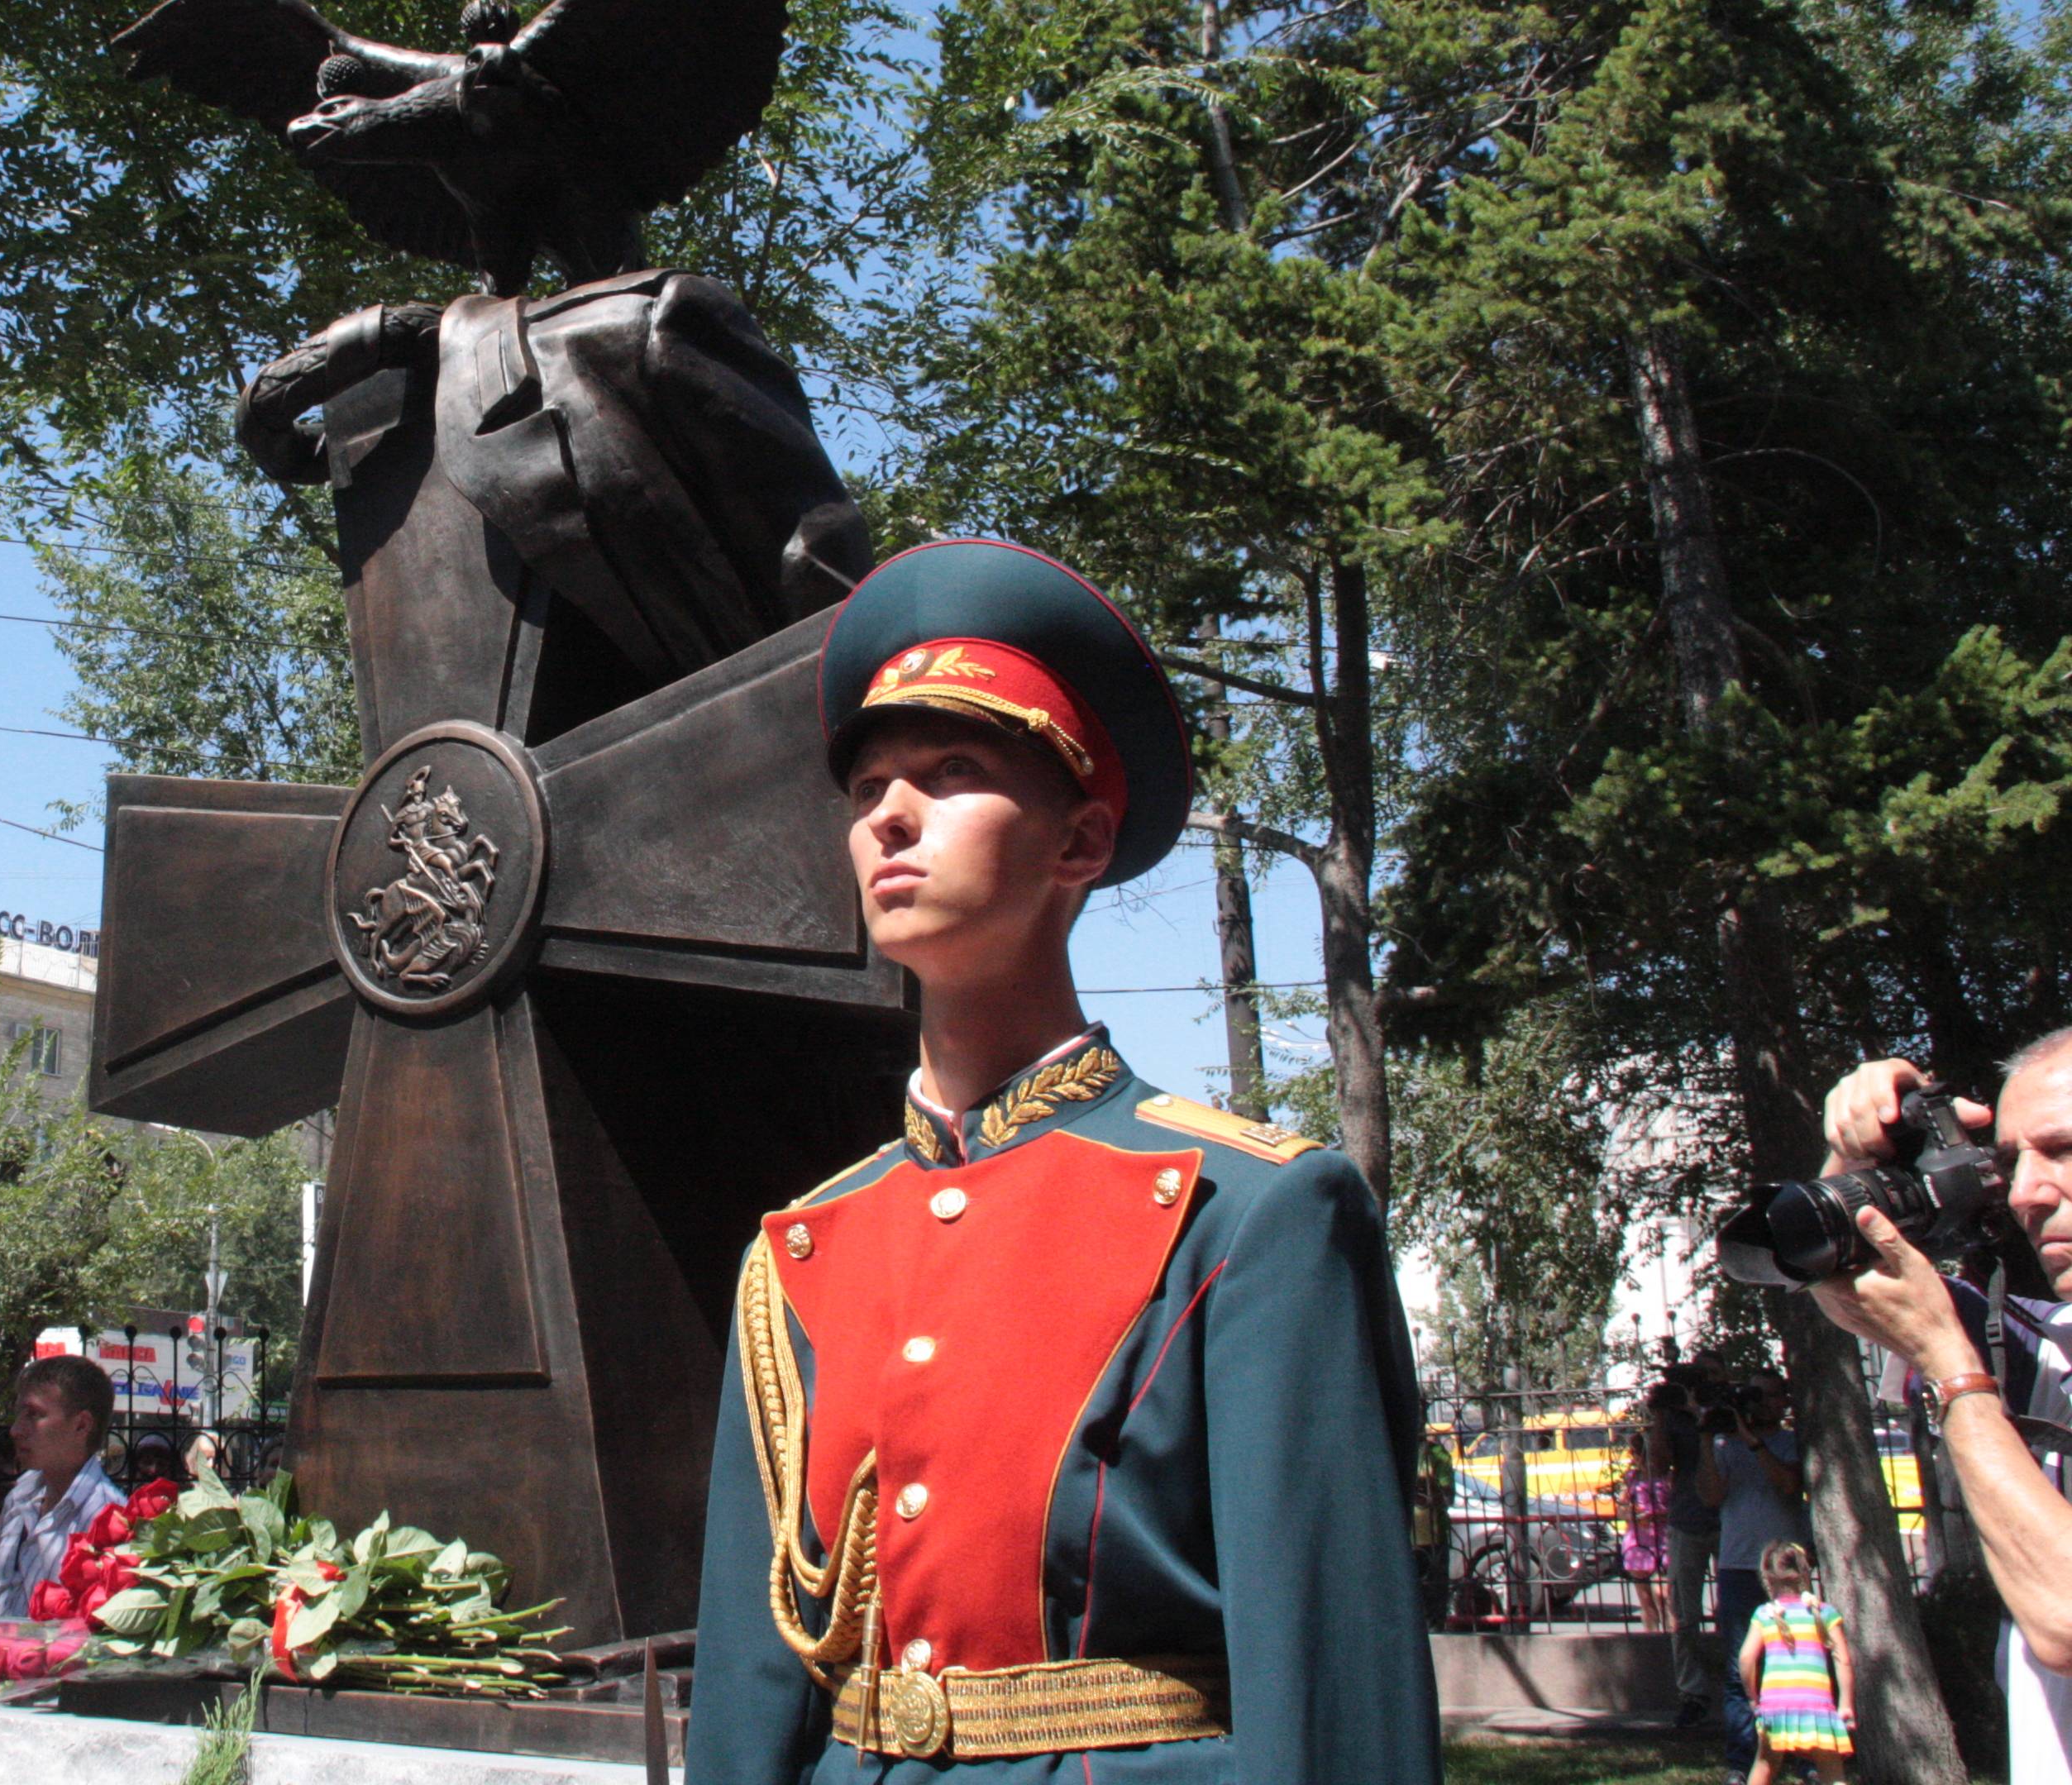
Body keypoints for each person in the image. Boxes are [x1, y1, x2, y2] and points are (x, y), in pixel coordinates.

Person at [687, 538, 1440, 1785]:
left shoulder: (1245, 1212)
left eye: (954, 771)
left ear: (1080, 844)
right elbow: (750, 1691)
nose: (889, 814)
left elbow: (1331, 1688)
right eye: (868, 785)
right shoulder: (803, 1253)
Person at [1812, 1039, 2072, 1785]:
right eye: (2014, 1159)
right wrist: (1858, 1147)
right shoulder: (2049, 1349)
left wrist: (1951, 1368)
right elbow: (1843, 1281)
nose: (2025, 1192)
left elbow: (2060, 1618)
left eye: (2062, 1150)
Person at [1699, 1372, 1807, 1774]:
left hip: (1787, 1571)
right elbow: (1710, 1496)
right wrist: (1706, 1438)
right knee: (1739, 1667)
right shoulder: (1724, 1444)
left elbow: (1788, 1486)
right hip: (1739, 1566)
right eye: (1759, 1396)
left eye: (1773, 1395)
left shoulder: (1790, 1441)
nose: (1771, 1403)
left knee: (1797, 1662)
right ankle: (1743, 1763)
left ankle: (1802, 1756)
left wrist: (1754, 1440)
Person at [0, 1357, 118, 1619]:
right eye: (18, 1415)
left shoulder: (106, 1517)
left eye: (34, 1415)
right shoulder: (21, 1496)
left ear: (81, 1425)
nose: (16, 1430)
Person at [1737, 1539, 1855, 1785]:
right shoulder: (1824, 1613)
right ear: (1804, 1572)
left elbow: (1747, 1658)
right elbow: (1842, 1658)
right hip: (1817, 1706)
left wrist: (1752, 1696)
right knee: (1831, 1768)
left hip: (1775, 1707)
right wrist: (1845, 1703)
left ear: (1767, 1578)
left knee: (1765, 1764)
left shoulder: (1764, 1615)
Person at [1652, 1375, 1725, 1725]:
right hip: (1687, 1520)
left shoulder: (1731, 1413)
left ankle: (1743, 1684)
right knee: (1683, 1614)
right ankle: (1693, 1693)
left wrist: (1708, 1412)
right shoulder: (1673, 1420)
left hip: (1731, 1521)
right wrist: (1661, 1417)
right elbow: (1657, 1466)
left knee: (1738, 1610)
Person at [1619, 1409, 1673, 1635]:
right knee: (1646, 1600)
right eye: (1637, 1454)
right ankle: (1651, 1638)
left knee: (1665, 1596)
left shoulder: (1667, 1478)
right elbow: (1621, 1508)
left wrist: (1658, 1515)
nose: (1639, 1458)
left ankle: (1671, 1638)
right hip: (1639, 1539)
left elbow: (1675, 1509)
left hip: (1663, 1538)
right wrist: (1631, 1512)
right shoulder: (1632, 1478)